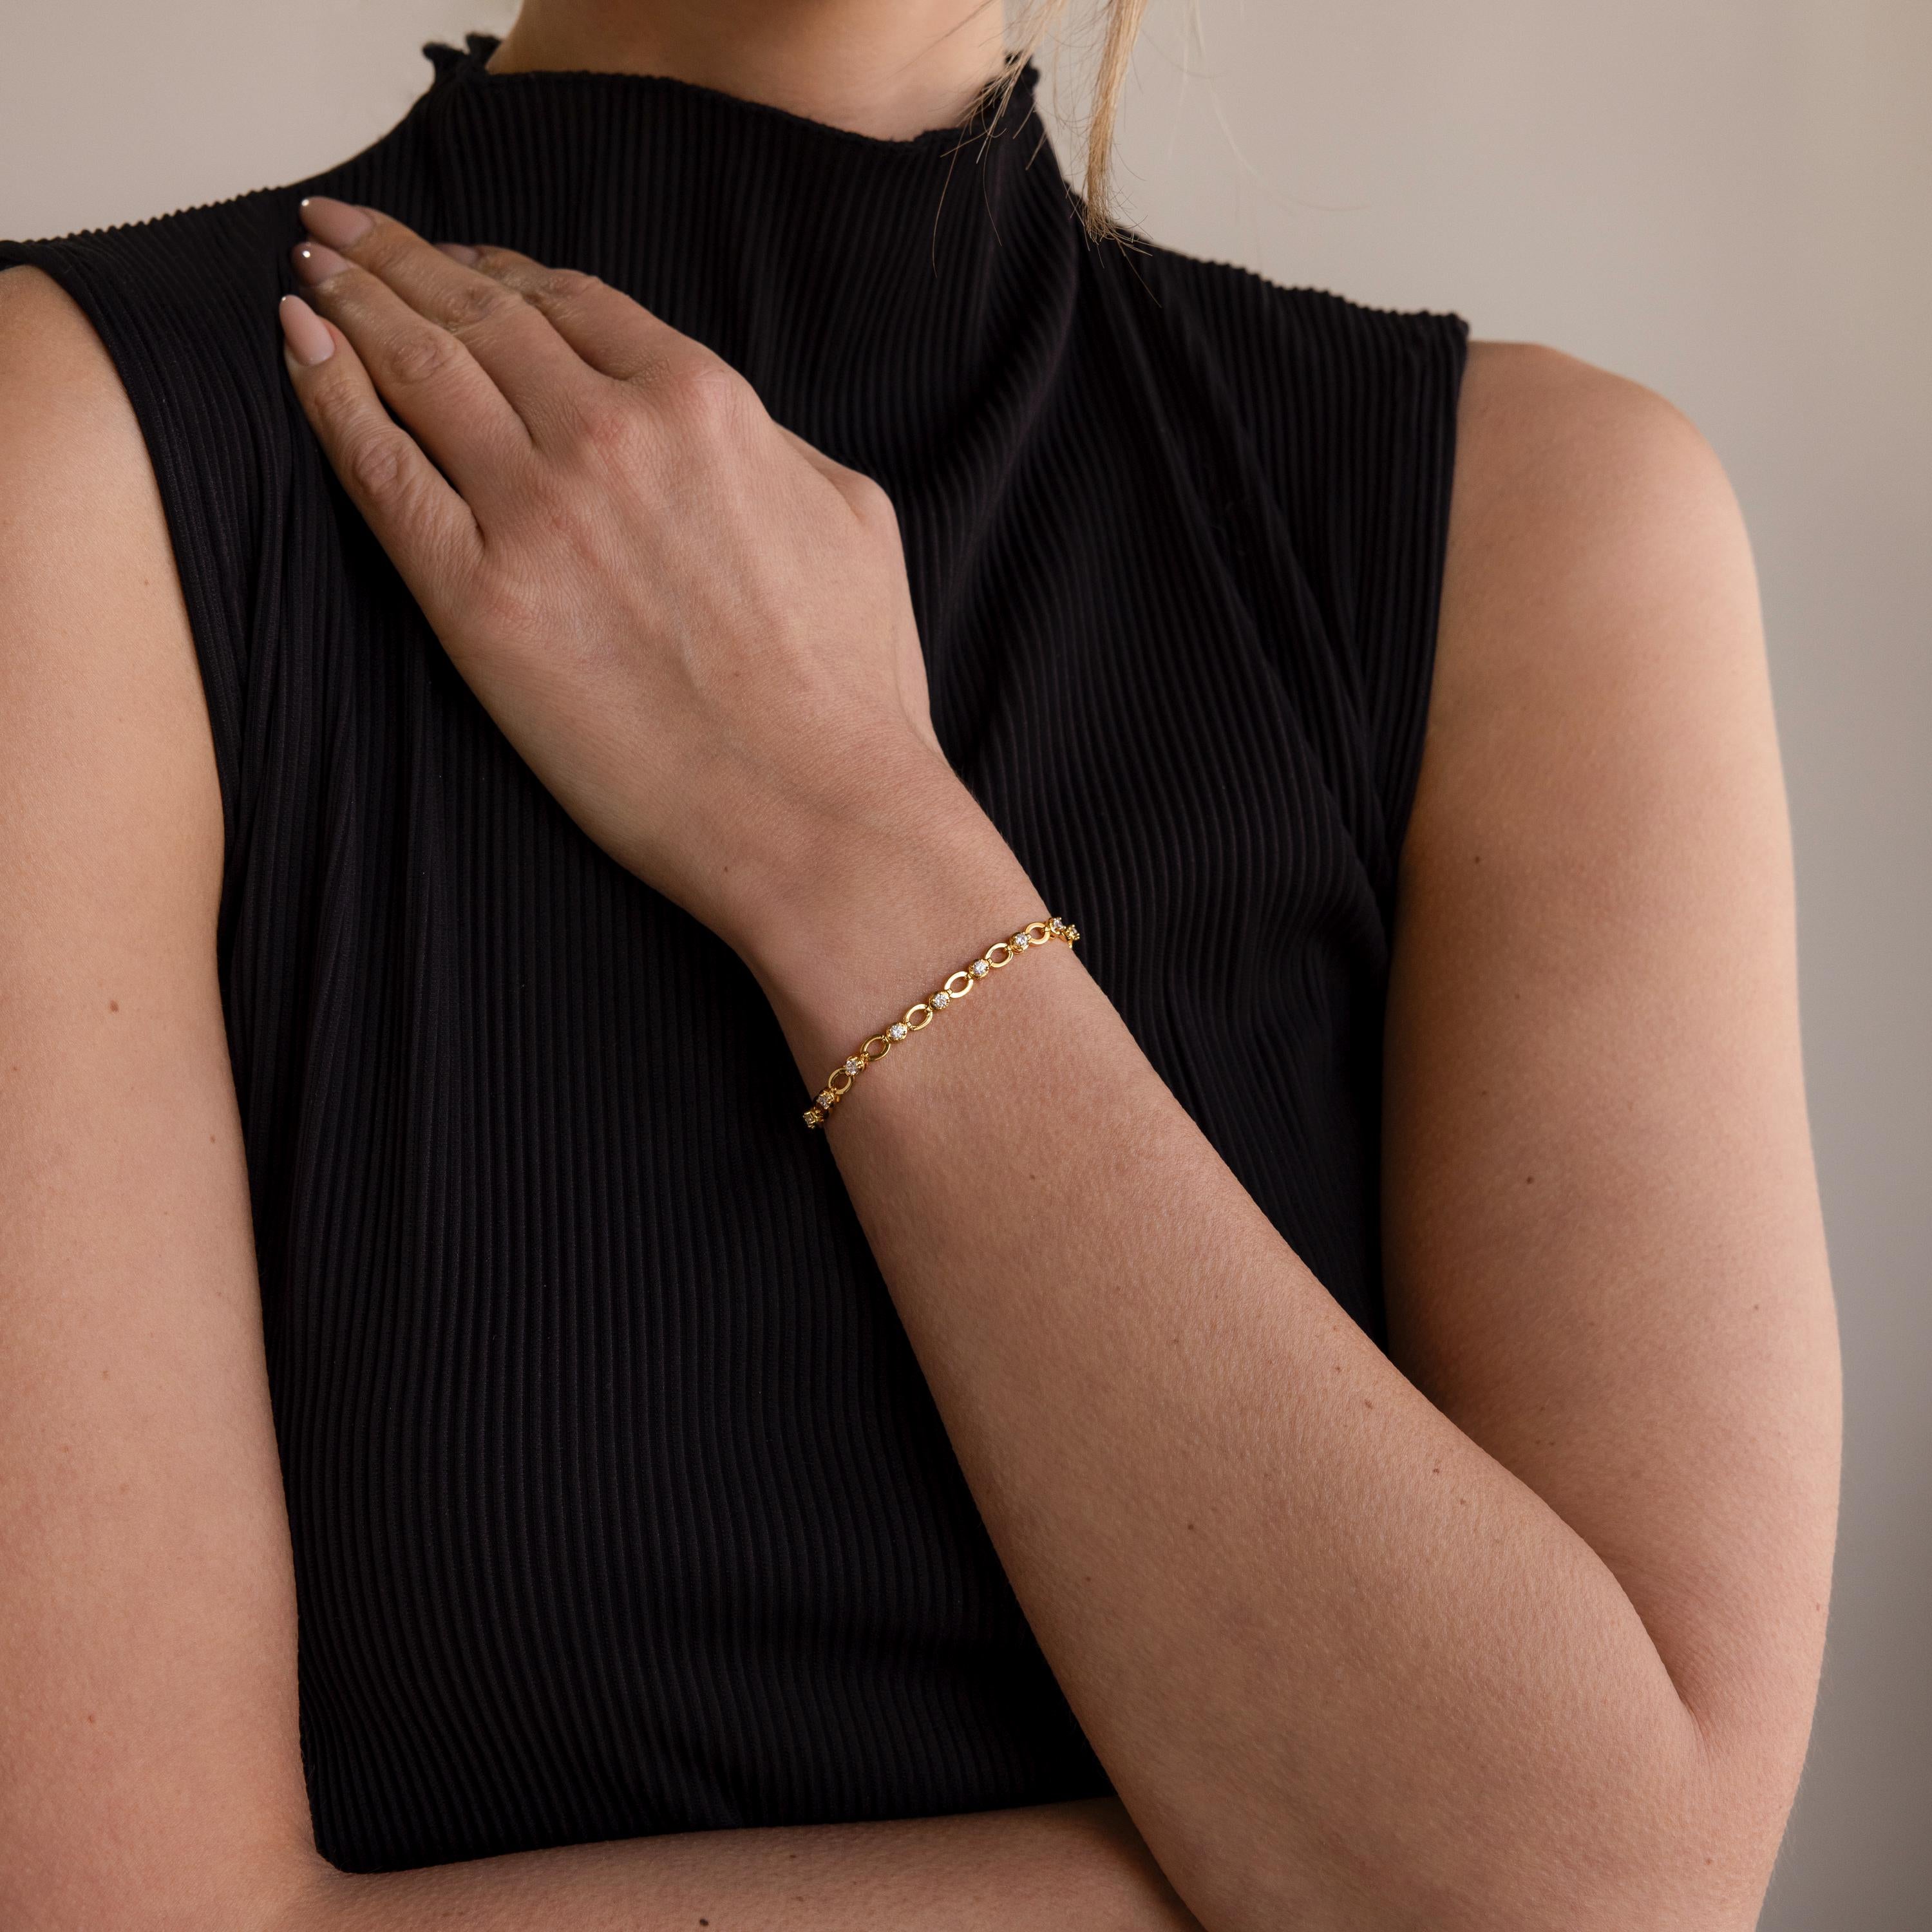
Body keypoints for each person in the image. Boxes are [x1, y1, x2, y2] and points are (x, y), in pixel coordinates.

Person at [0, 1, 1841, 1926]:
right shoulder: (77, 455)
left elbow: (1610, 1884)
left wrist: (836, 824)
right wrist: (1341, 1871)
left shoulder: (1536, 541)